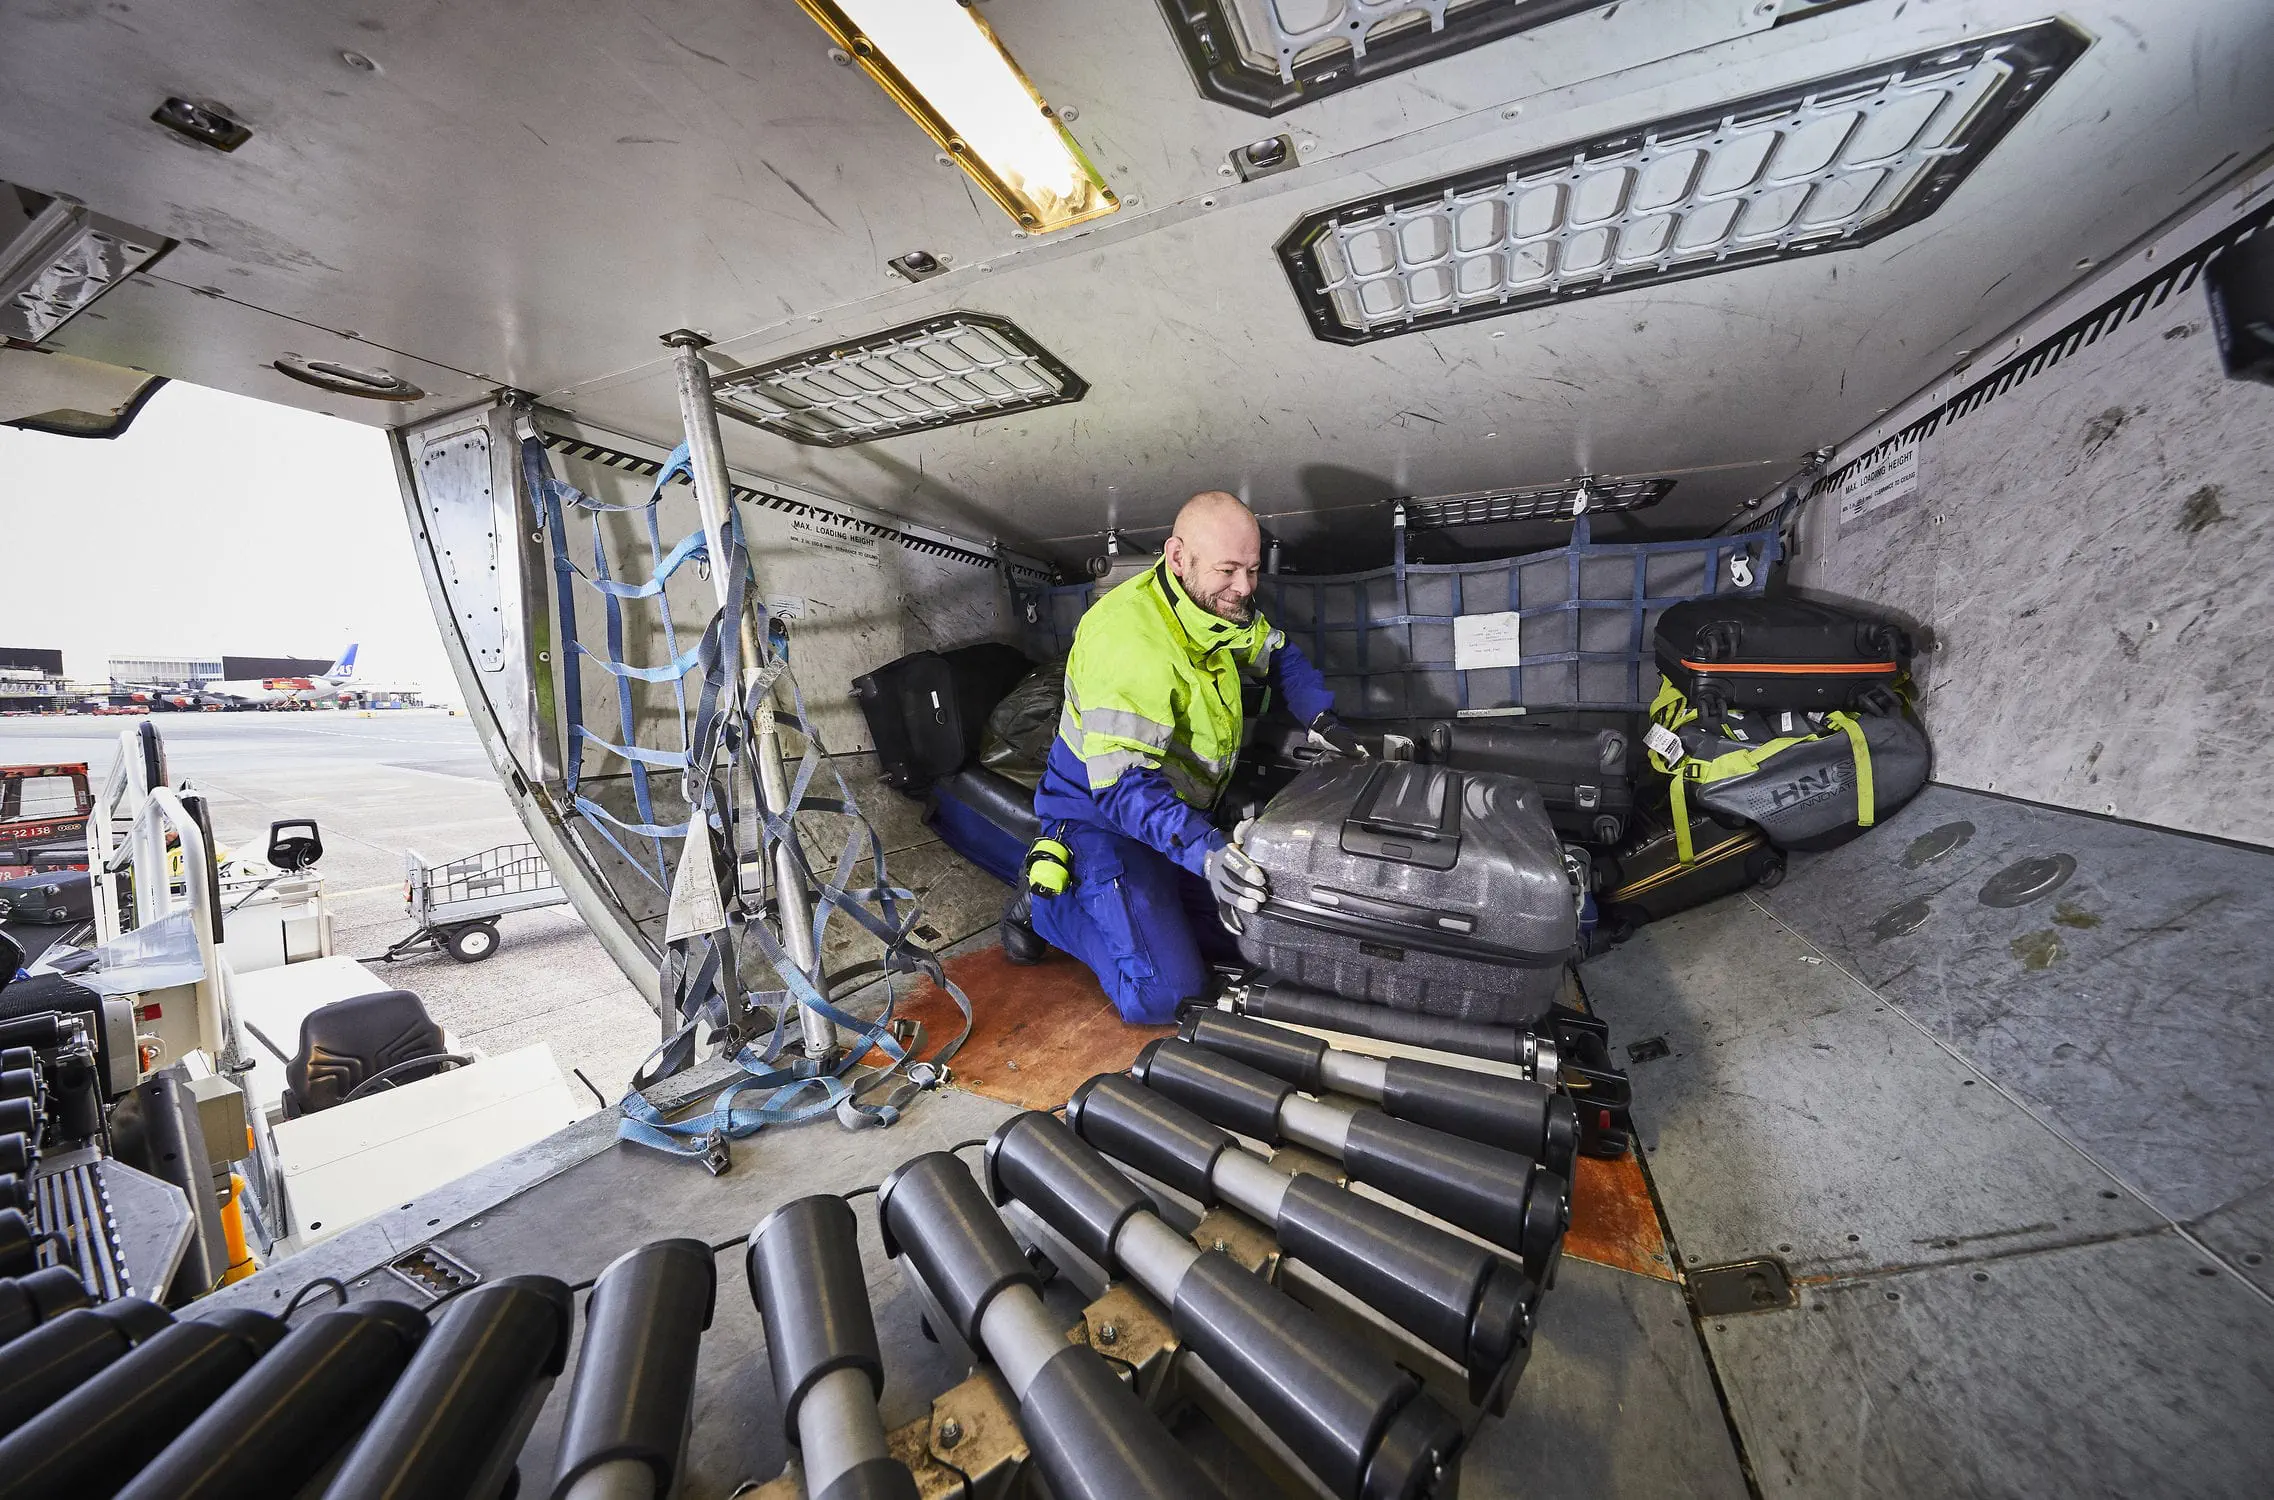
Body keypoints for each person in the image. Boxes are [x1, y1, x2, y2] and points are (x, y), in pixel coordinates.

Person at [1001, 491, 1366, 1023]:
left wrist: (1321, 719)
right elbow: (1122, 789)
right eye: (1228, 570)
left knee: (1253, 939)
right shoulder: (1127, 643)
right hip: (1100, 820)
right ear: (1177, 558)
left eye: (1253, 569)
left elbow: (1278, 650)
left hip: (1173, 813)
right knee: (1168, 995)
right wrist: (1208, 853)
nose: (1244, 588)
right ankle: (1045, 909)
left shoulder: (1214, 605)